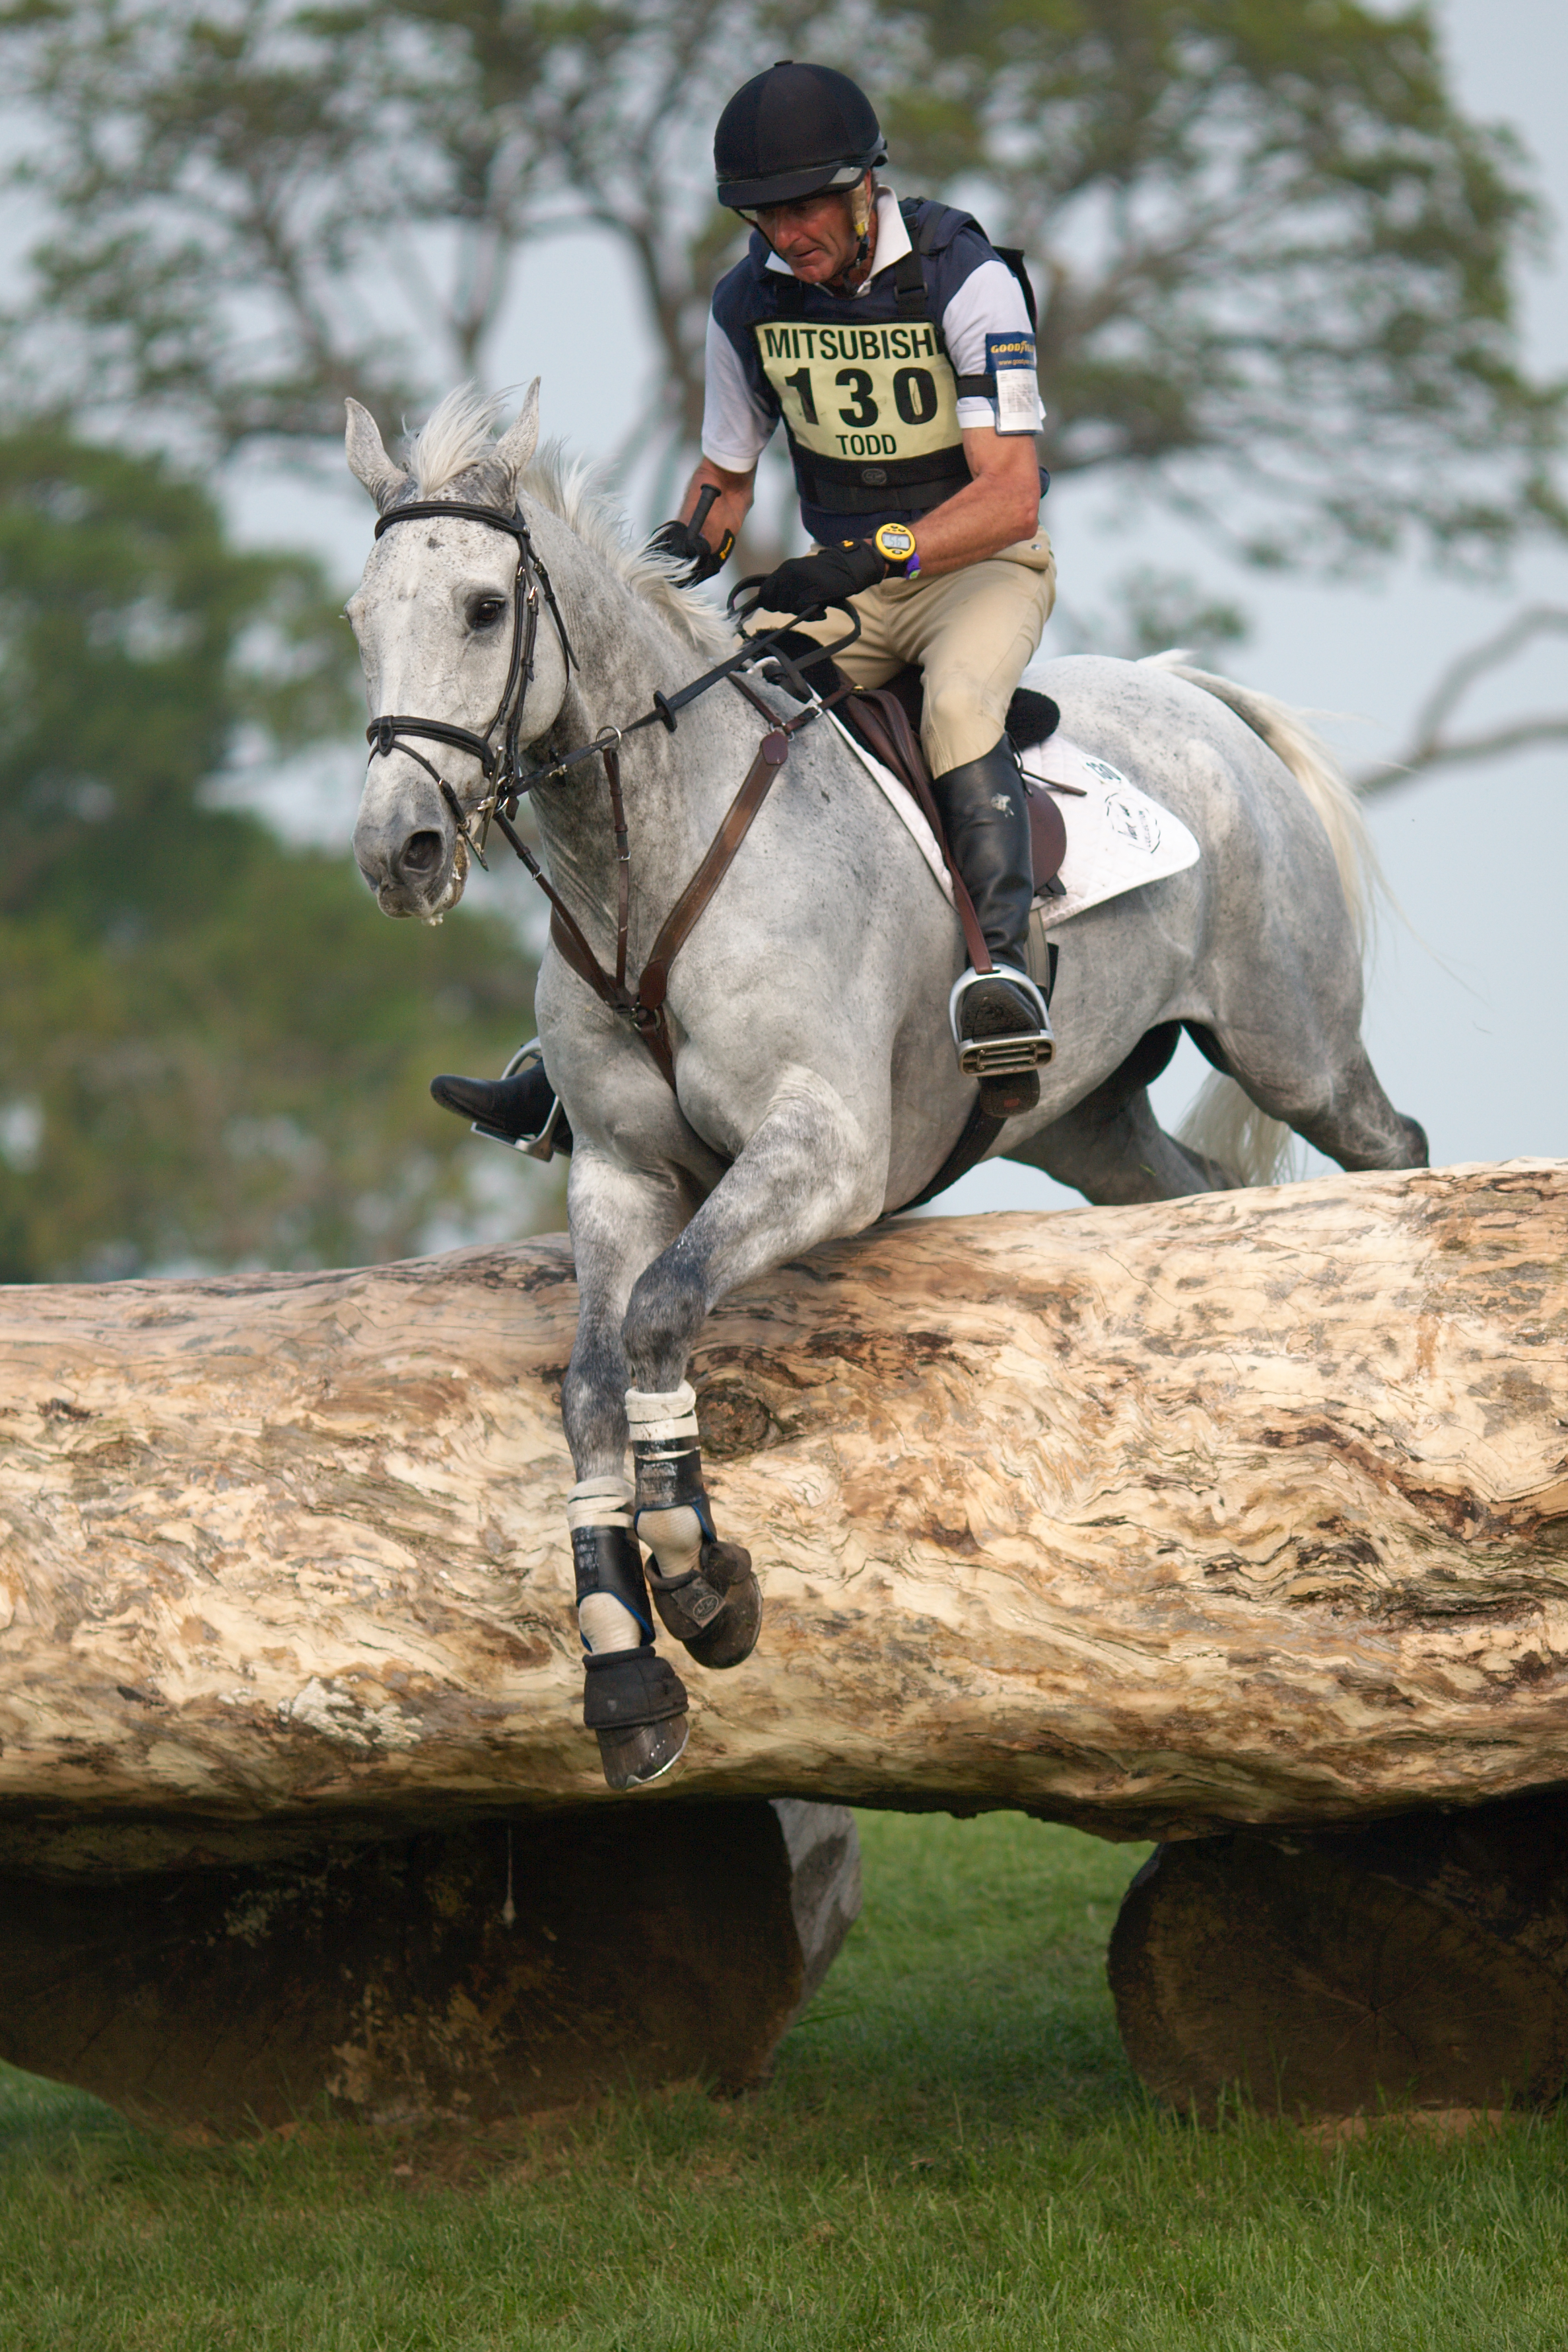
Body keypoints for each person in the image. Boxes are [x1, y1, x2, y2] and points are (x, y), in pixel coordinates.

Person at [433, 58, 1056, 1148]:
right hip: (853, 585)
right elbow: (726, 484)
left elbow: (1009, 497)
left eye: (808, 205)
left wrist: (874, 553)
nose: (788, 232)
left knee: (958, 707)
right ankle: (589, 1043)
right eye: (764, 214)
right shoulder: (748, 302)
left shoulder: (970, 280)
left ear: (870, 186)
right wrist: (683, 553)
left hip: (977, 575)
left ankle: (1005, 979)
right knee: (703, 715)